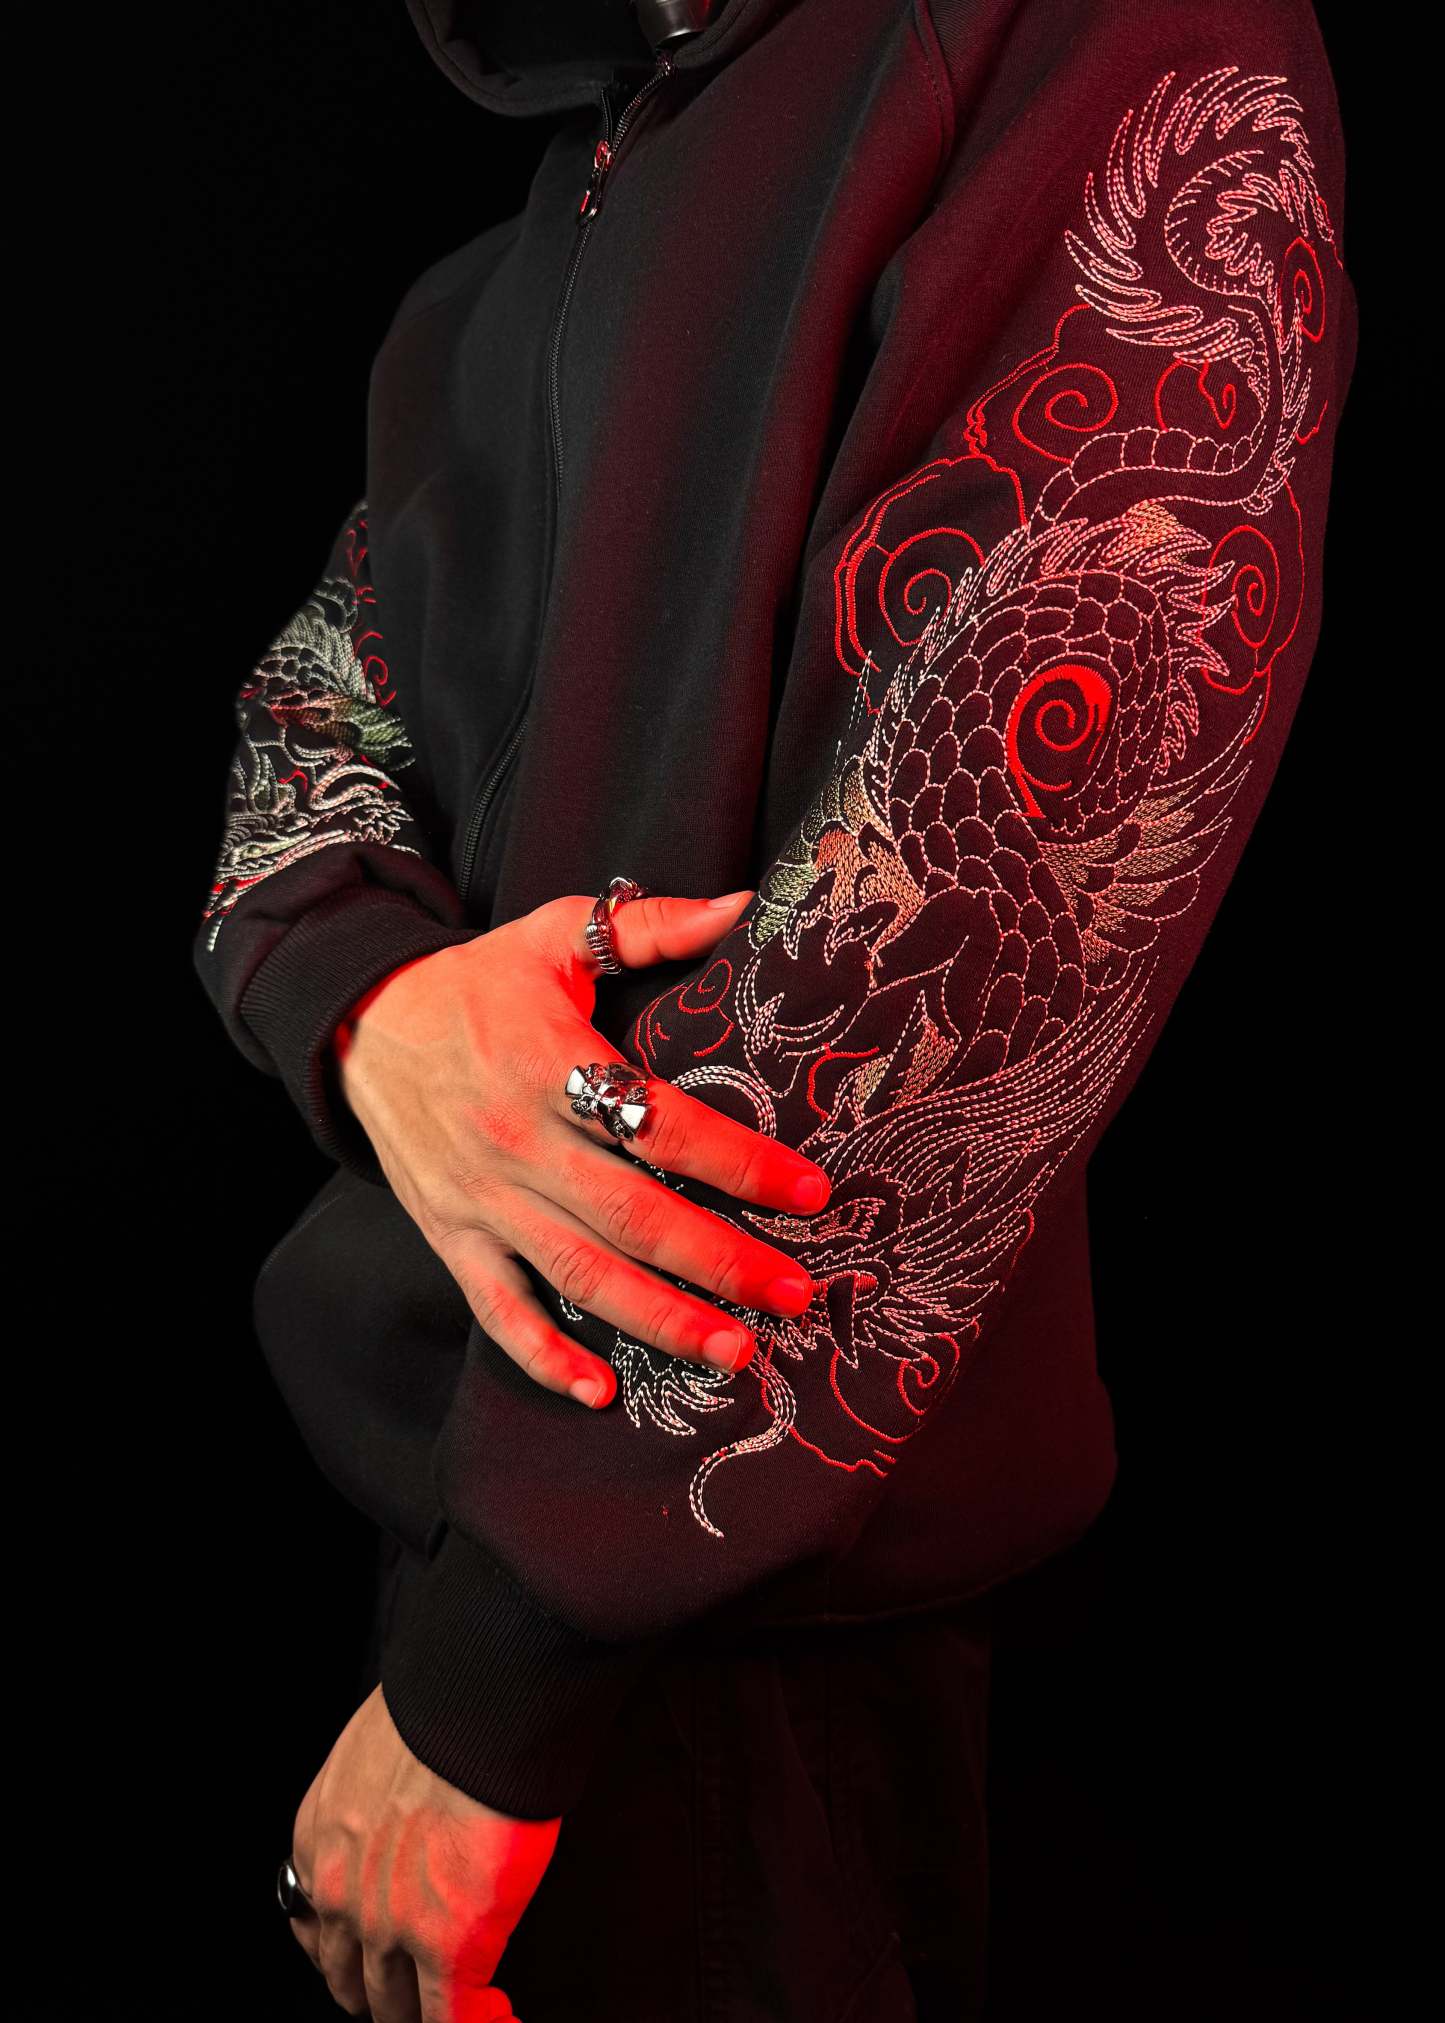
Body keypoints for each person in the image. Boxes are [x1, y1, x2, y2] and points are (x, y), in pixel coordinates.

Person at [192, 1, 1357, 2016]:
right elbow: (314, 708)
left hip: (737, 1650)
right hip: (446, 1533)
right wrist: (376, 1014)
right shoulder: (498, 272)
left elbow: (995, 901)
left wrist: (495, 1685)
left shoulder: (1097, 35)